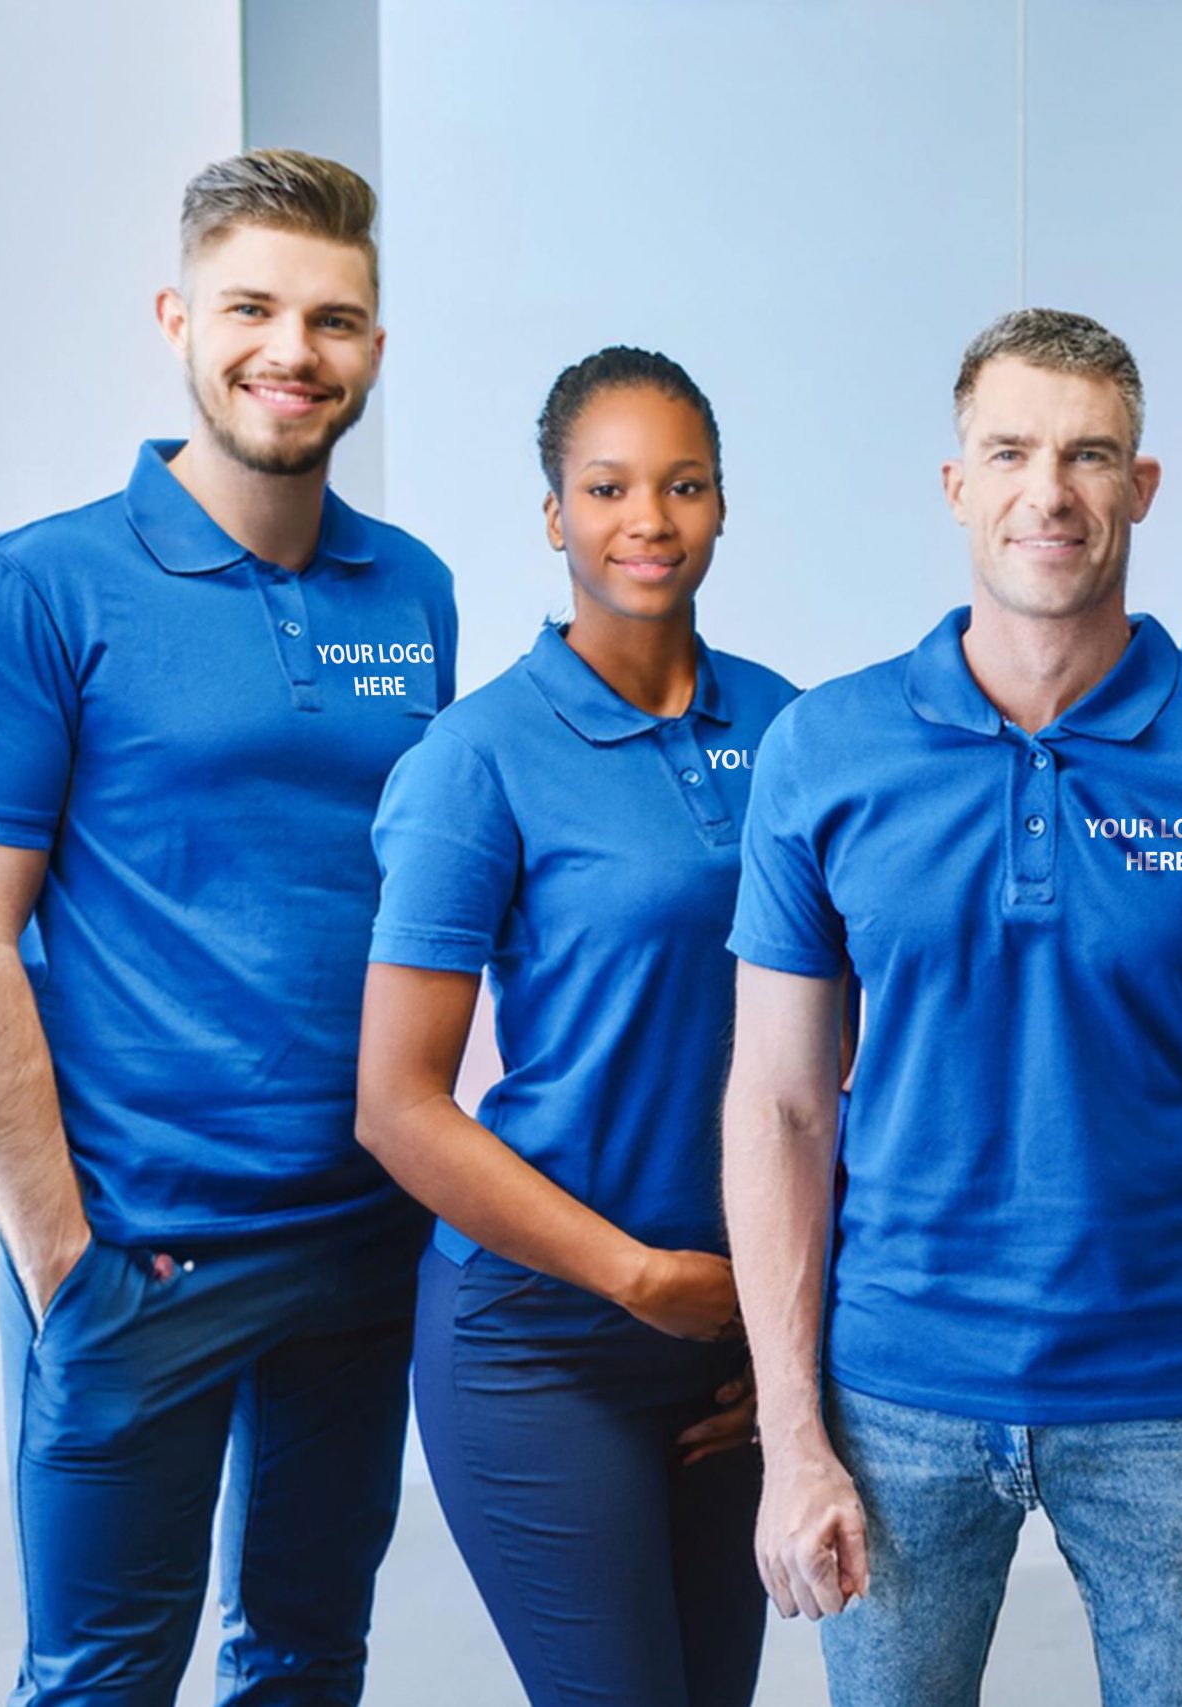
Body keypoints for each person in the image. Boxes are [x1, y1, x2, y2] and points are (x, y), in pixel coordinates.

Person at [722, 308, 1182, 1707]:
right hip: (893, 1388)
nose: (1050, 490)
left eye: (1089, 455)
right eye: (1010, 451)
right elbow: (776, 1101)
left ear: (1142, 489)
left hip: (1179, 1393)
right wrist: (792, 1433)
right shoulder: (822, 751)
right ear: (956, 485)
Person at [0, 151, 456, 1705]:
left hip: (362, 1236)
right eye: (253, 307)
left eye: (333, 317)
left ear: (373, 345)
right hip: (141, 1247)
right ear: (177, 318)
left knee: (305, 1658)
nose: (293, 348)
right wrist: (63, 1262)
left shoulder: (409, 592)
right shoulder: (28, 593)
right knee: (99, 1677)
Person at [355, 347, 793, 1706]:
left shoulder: (791, 727)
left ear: (725, 504)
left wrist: (785, 1331)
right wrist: (638, 1279)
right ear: (553, 515)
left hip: (737, 1328)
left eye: (683, 484)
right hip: (541, 1335)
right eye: (606, 486)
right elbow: (397, 1103)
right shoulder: (478, 755)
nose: (648, 519)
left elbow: (842, 1057)